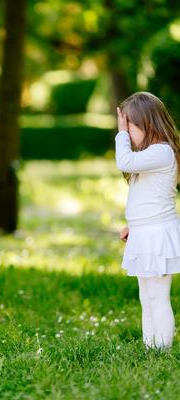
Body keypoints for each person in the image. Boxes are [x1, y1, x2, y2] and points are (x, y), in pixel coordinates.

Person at [116, 92, 180, 350]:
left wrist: (120, 134)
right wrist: (133, 225)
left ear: (147, 123)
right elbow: (146, 197)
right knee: (146, 295)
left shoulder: (162, 152)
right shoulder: (150, 155)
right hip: (145, 232)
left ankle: (161, 350)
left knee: (158, 295)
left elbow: (124, 161)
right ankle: (150, 346)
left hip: (158, 235)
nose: (126, 133)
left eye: (128, 126)